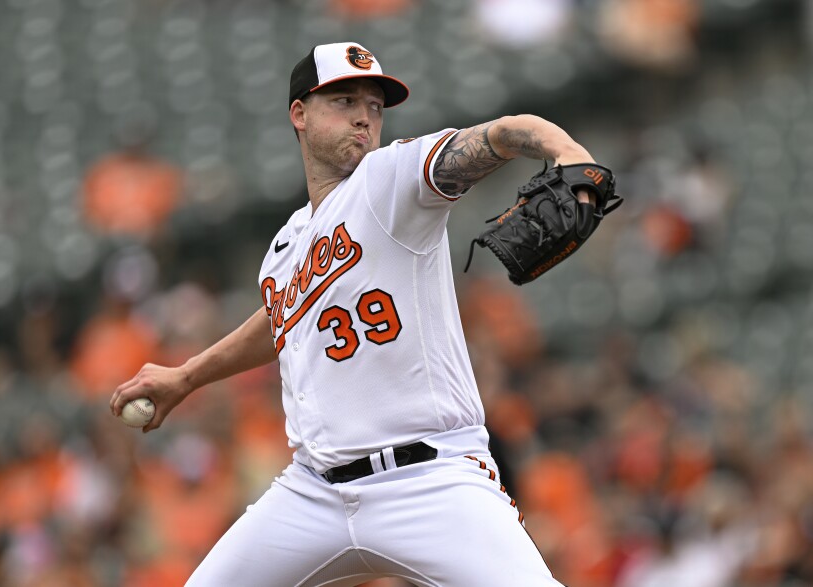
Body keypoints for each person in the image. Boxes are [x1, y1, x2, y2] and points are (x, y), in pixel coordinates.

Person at [110, 41, 598, 586]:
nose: (365, 116)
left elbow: (502, 133)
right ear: (299, 113)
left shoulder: (392, 180)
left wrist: (564, 147)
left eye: (374, 104)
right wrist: (186, 375)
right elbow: (281, 318)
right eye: (344, 100)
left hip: (429, 479)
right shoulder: (287, 244)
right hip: (313, 491)